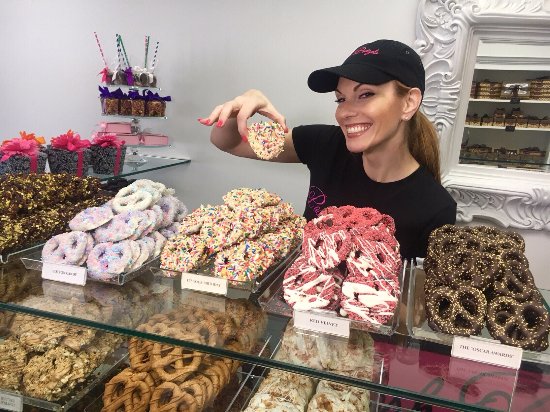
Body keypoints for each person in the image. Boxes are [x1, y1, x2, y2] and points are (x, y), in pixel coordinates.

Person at [198, 39, 457, 259]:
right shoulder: (325, 143)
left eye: (365, 94)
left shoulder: (434, 208)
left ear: (409, 102)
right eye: (340, 99)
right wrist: (243, 104)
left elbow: (416, 297)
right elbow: (228, 142)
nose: (345, 112)